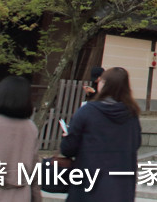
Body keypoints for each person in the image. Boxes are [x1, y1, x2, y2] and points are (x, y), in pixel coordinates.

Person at [60, 67, 142, 202]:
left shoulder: (87, 111)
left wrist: (66, 137)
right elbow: (136, 144)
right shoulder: (132, 115)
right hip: (121, 189)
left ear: (103, 84)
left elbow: (68, 149)